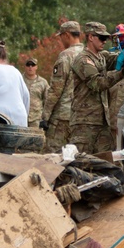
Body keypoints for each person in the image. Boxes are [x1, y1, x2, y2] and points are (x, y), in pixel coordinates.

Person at [69, 22, 124, 154]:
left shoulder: (100, 57)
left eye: (106, 38)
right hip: (84, 123)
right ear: (90, 37)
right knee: (82, 164)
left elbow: (115, 59)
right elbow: (98, 83)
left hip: (101, 122)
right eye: (101, 37)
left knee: (105, 162)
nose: (104, 41)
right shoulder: (82, 60)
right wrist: (122, 73)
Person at [41, 21, 83, 151]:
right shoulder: (88, 53)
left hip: (62, 116)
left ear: (66, 35)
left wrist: (45, 116)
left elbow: (55, 89)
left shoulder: (66, 56)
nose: (61, 40)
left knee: (53, 155)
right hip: (82, 116)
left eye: (61, 36)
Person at [23, 57, 49, 129]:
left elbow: (47, 101)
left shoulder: (43, 82)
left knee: (35, 139)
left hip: (36, 119)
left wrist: (45, 118)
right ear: (25, 66)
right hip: (21, 117)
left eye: (33, 65)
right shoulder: (20, 80)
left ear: (36, 67)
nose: (30, 67)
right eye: (28, 65)